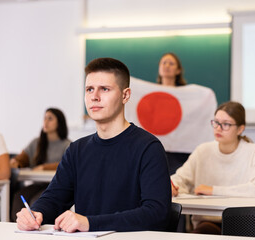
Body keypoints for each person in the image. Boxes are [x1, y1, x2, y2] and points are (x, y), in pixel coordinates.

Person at [15, 58, 171, 232]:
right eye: (89, 89)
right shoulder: (76, 150)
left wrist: (90, 223)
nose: (94, 97)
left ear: (125, 95)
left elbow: (157, 214)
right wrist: (36, 212)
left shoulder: (148, 147)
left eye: (104, 89)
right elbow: (55, 197)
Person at [171, 101, 255, 234]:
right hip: (208, 222)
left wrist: (212, 190)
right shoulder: (203, 150)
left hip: (242, 223)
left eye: (226, 124)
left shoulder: (253, 151)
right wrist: (172, 186)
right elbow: (180, 178)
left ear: (240, 129)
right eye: (216, 122)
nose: (218, 128)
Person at [10, 108, 71, 221]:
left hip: (54, 186)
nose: (45, 122)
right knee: (18, 197)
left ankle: (36, 228)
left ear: (59, 122)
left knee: (37, 202)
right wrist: (16, 162)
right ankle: (17, 227)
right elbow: (24, 157)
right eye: (44, 118)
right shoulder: (36, 143)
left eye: (50, 119)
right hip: (37, 184)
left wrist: (44, 167)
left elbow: (66, 165)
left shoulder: (67, 145)